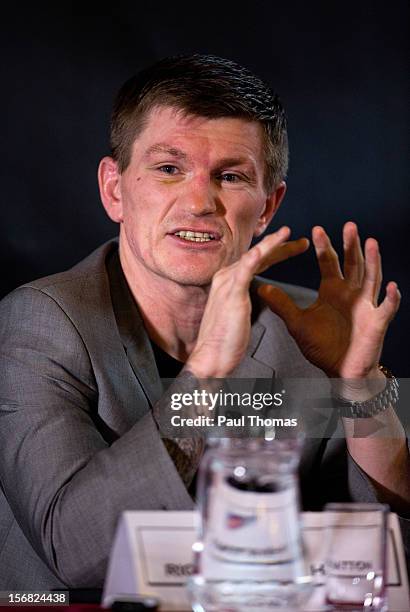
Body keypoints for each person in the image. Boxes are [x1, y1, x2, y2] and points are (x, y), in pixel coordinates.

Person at [0, 54, 408, 589]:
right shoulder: (39, 323)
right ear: (115, 189)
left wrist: (361, 385)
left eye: (231, 176)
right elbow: (74, 551)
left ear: (267, 207)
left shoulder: (308, 324)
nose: (199, 201)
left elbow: (389, 537)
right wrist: (208, 369)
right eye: (169, 168)